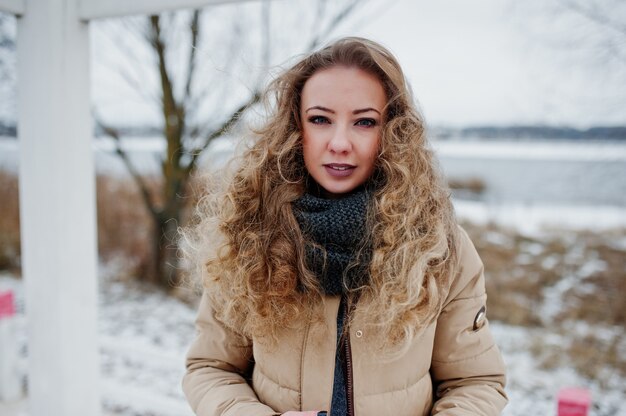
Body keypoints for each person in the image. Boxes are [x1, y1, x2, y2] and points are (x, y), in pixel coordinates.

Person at [181, 37, 507, 416]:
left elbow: (475, 383)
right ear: (295, 127)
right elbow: (210, 368)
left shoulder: (438, 246)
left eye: (364, 122)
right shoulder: (248, 233)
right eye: (320, 119)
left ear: (393, 132)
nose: (339, 143)